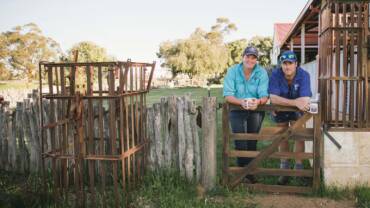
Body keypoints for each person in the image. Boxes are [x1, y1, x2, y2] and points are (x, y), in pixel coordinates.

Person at [223, 46, 269, 183]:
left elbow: (264, 95)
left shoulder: (261, 72)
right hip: (237, 109)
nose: (250, 59)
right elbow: (228, 95)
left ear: (256, 60)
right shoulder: (232, 71)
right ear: (242, 57)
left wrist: (259, 101)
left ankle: (250, 173)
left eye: (253, 57)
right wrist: (240, 102)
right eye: (248, 56)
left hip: (256, 110)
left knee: (252, 142)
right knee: (240, 141)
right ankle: (241, 174)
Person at [268, 50, 312, 185]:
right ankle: (284, 169)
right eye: (284, 63)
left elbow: (304, 99)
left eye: (290, 63)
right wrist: (294, 102)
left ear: (296, 64)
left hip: (297, 111)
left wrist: (296, 103)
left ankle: (298, 169)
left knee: (299, 136)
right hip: (280, 109)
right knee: (282, 136)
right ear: (281, 64)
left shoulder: (304, 75)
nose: (287, 66)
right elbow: (273, 98)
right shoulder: (275, 74)